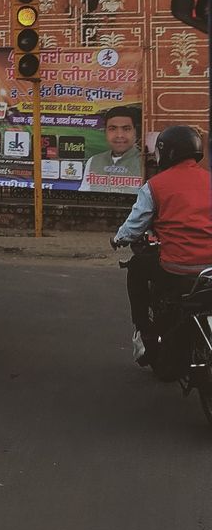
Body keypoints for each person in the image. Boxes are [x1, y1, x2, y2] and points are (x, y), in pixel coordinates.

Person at [112, 124, 212, 365]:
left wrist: (118, 239)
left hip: (178, 269)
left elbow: (135, 225)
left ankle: (144, 332)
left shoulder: (156, 185)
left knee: (137, 267)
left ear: (165, 153)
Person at [79, 106, 143, 193]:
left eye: (126, 129)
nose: (119, 135)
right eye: (112, 129)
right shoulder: (93, 161)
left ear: (135, 132)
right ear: (105, 132)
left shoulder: (145, 163)